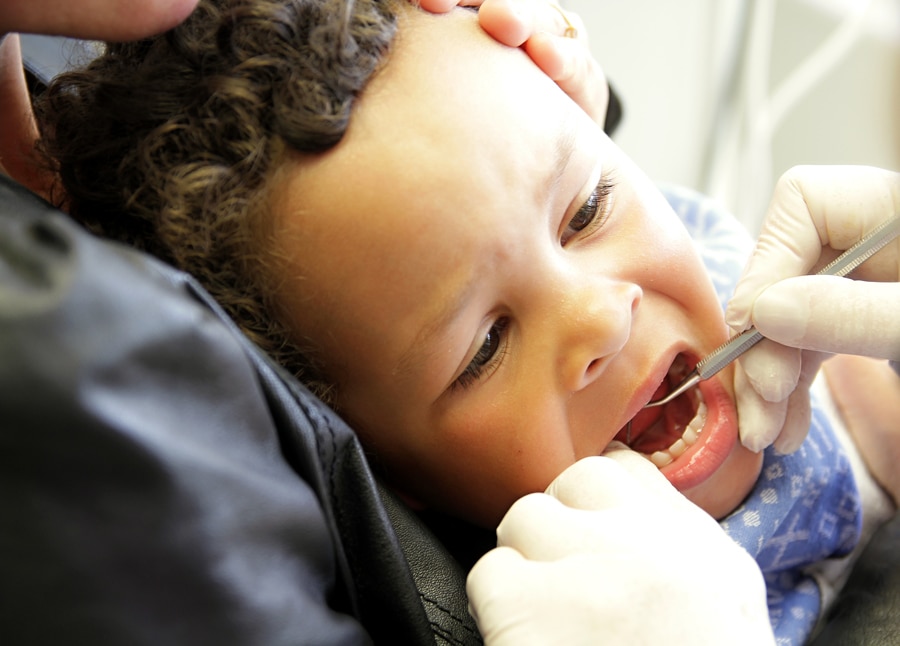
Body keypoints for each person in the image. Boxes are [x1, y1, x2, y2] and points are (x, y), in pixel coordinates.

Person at [28, 0, 900, 643]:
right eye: (484, 347)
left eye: (587, 210)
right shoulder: (546, 609)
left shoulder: (779, 308)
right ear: (398, 479)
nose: (599, 317)